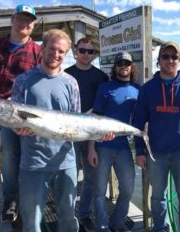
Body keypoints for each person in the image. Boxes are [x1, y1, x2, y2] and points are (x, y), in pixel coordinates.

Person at [133, 42, 180, 232]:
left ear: (179, 60)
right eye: (165, 56)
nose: (170, 60)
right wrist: (140, 151)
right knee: (158, 196)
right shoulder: (148, 89)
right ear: (158, 61)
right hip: (156, 154)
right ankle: (161, 229)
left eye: (174, 57)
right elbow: (138, 122)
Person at [11, 29, 80, 232]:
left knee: (68, 218)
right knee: (31, 222)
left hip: (65, 162)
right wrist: (18, 129)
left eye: (61, 51)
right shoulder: (23, 80)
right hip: (33, 163)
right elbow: (13, 117)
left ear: (66, 54)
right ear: (43, 48)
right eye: (52, 49)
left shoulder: (71, 83)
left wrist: (100, 135)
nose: (56, 54)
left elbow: (77, 120)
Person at [0, 3, 41, 220]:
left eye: (29, 20)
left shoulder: (38, 52)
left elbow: (40, 87)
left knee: (10, 156)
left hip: (15, 115)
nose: (24, 23)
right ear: (12, 20)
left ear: (33, 26)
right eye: (20, 18)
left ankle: (10, 200)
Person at [88, 52, 144, 232]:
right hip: (102, 147)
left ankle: (117, 222)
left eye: (127, 63)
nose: (123, 66)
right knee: (99, 191)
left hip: (123, 147)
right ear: (115, 67)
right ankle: (102, 226)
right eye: (119, 63)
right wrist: (91, 149)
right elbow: (94, 120)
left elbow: (143, 119)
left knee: (127, 189)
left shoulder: (138, 90)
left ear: (131, 66)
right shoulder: (105, 88)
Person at [65, 37, 109, 231]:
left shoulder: (101, 77)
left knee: (91, 176)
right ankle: (67, 215)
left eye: (90, 52)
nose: (86, 54)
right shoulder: (65, 74)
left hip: (93, 133)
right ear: (76, 50)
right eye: (82, 50)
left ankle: (84, 214)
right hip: (69, 132)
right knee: (68, 175)